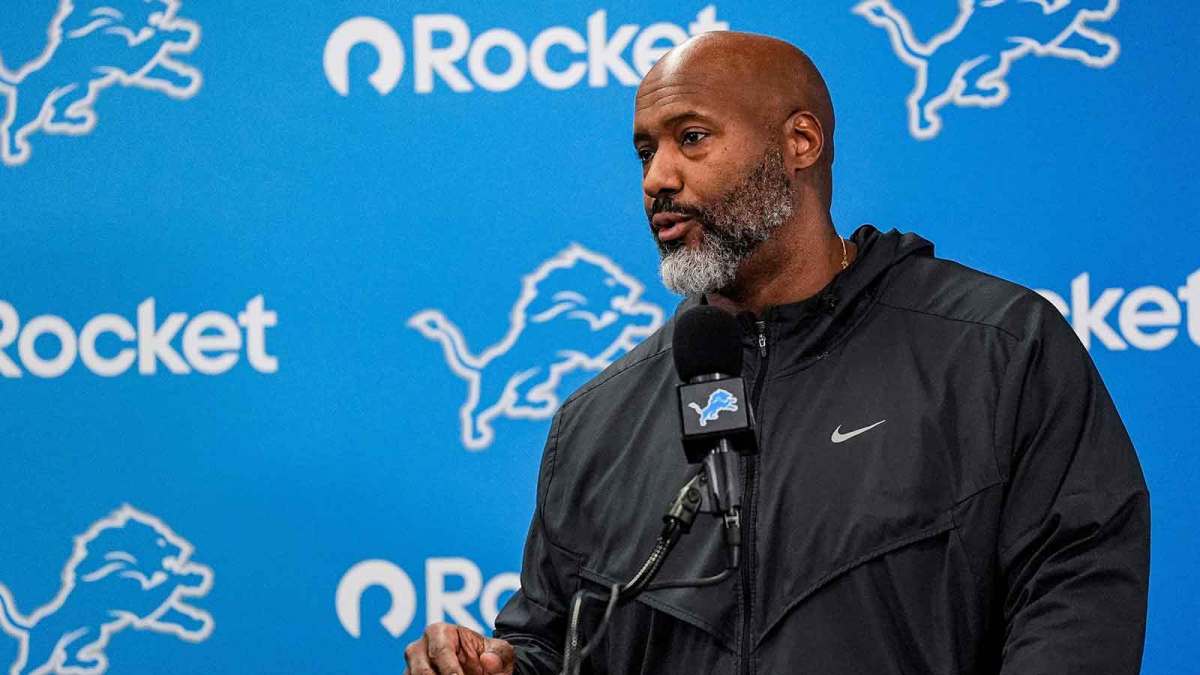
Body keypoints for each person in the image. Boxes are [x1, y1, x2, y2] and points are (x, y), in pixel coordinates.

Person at [403, 31, 1149, 675]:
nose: (658, 178)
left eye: (692, 138)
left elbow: (1077, 598)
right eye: (645, 151)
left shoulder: (996, 348)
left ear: (800, 142)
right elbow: (554, 641)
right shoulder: (598, 421)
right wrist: (496, 664)